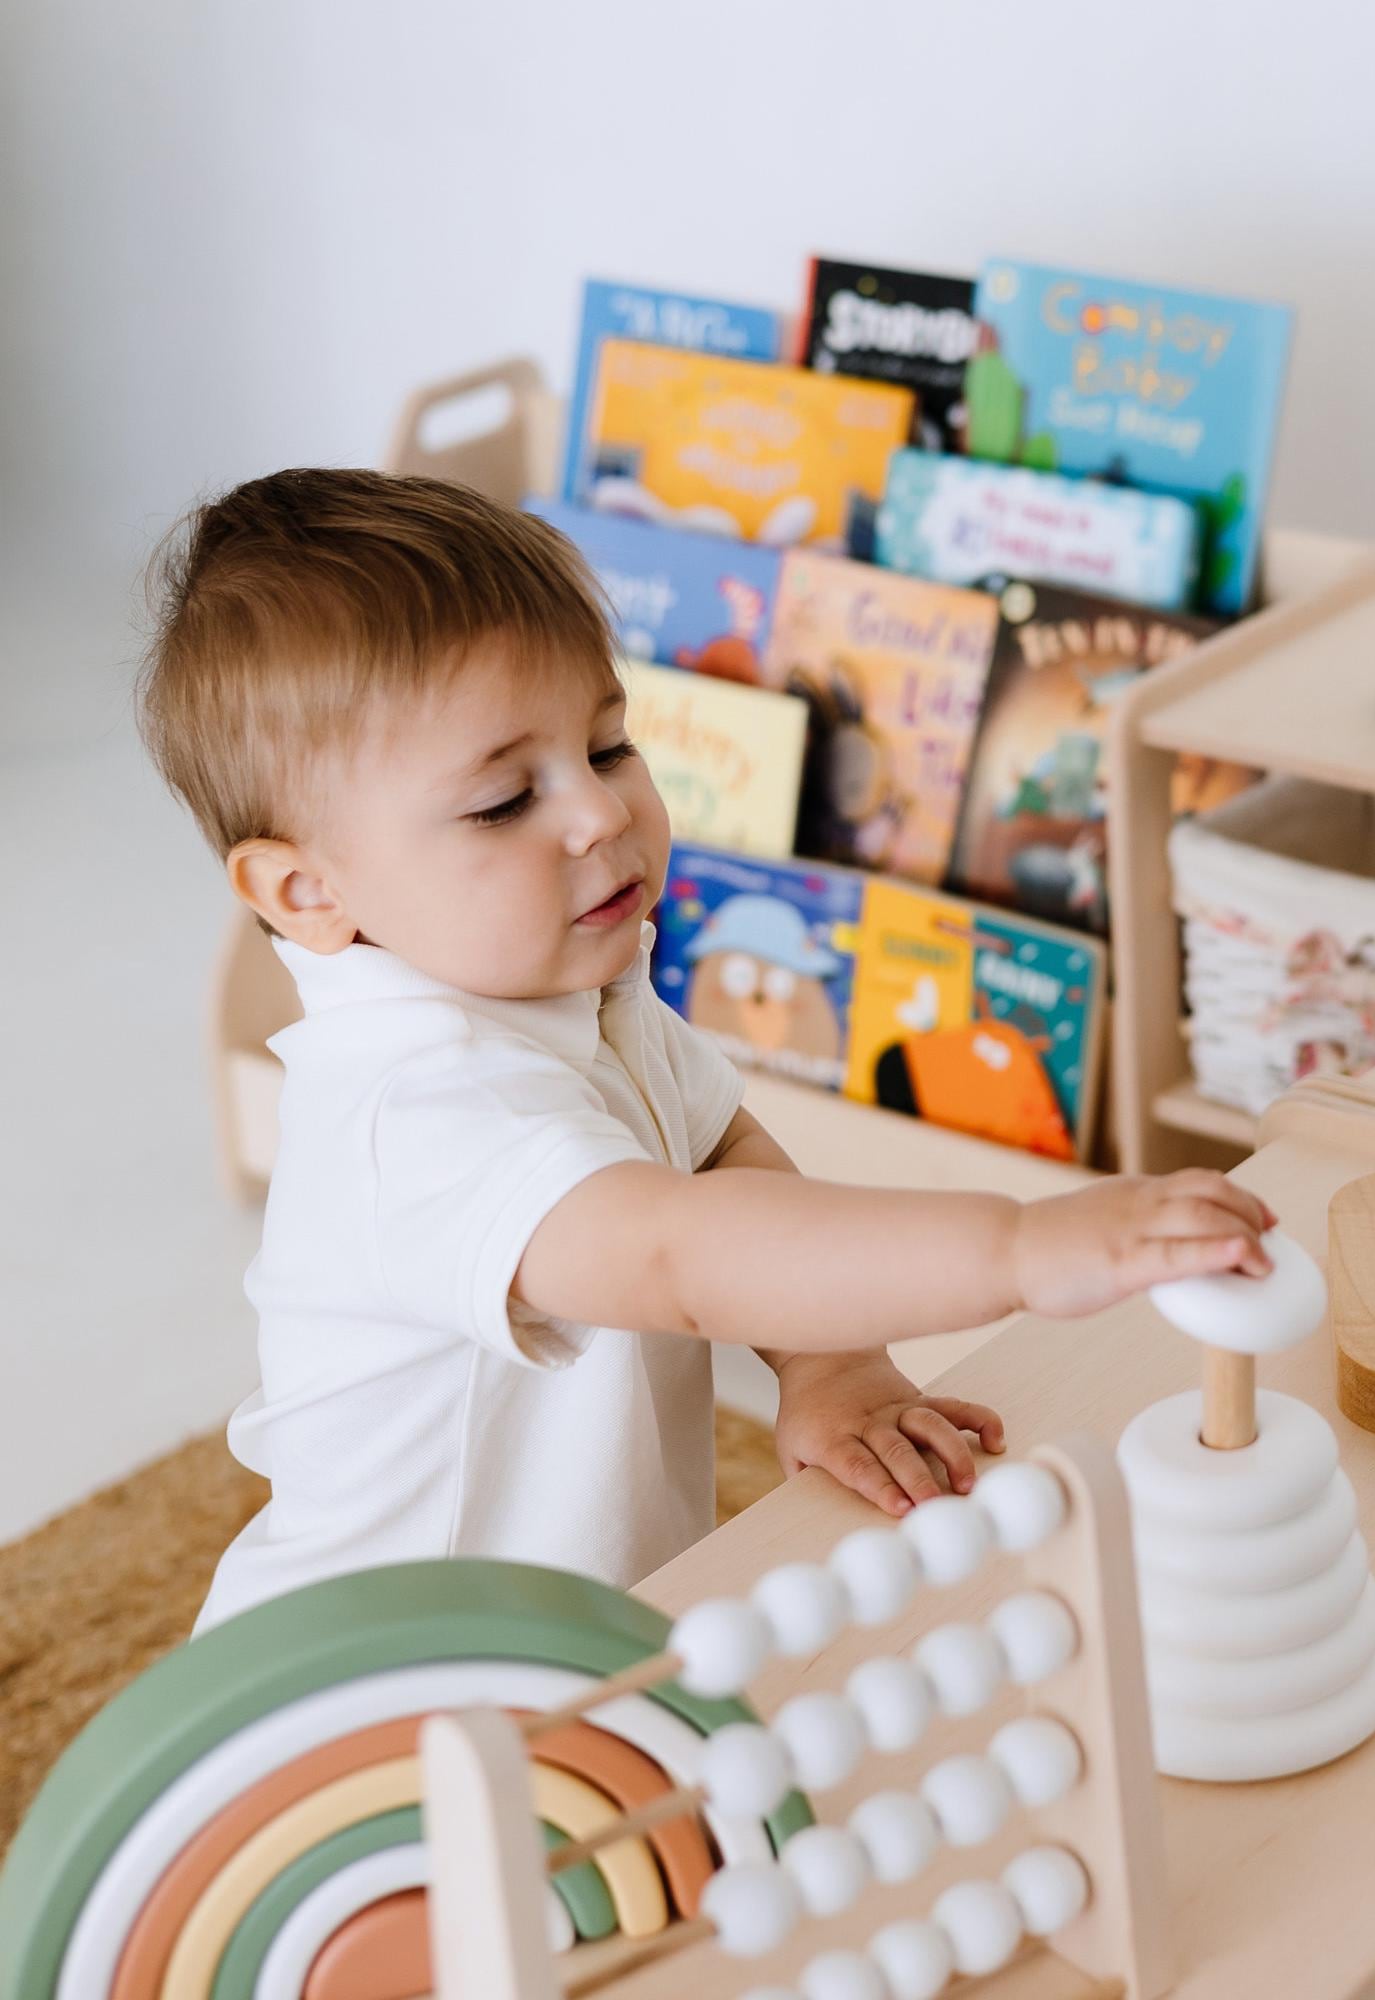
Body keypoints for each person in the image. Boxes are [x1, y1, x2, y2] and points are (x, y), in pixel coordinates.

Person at [138, 468, 1275, 1632]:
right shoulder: (416, 1105)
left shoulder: (578, 978)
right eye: (500, 802)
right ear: (307, 889)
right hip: (381, 1694)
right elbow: (675, 1253)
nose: (598, 814)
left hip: (568, 1640)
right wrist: (1021, 1248)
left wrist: (828, 1361)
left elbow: (717, 1146)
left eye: (608, 744)